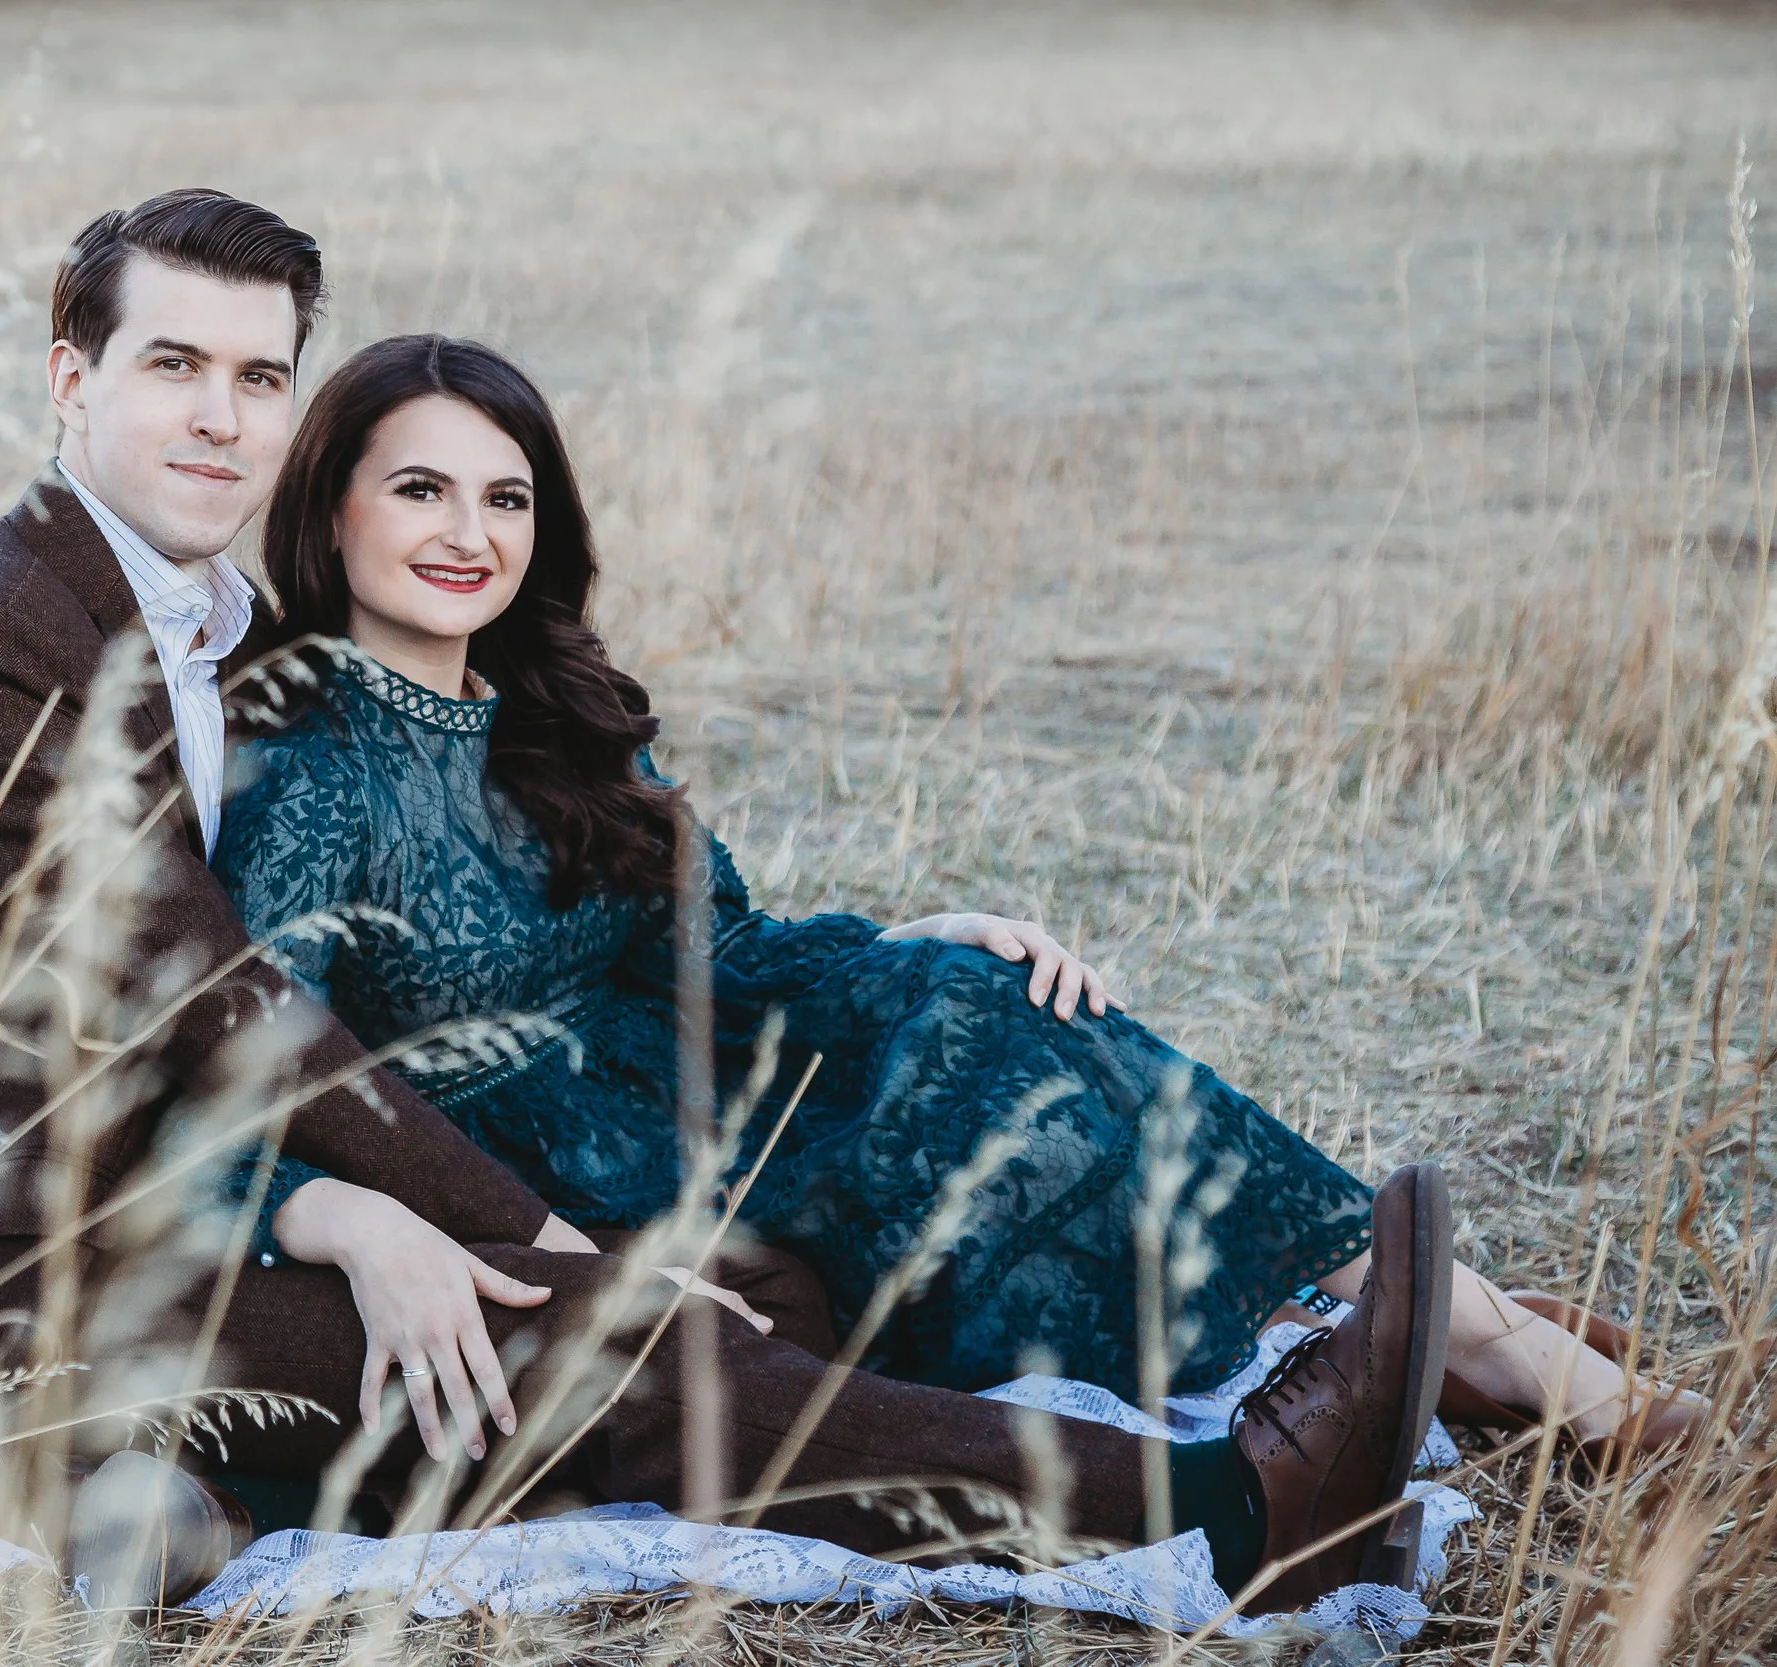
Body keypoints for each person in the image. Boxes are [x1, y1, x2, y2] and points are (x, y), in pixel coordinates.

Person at [0, 195, 1453, 1614]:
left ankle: (206, 1480)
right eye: (172, 365)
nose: (220, 413)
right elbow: (223, 1004)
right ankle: (1236, 1505)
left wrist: (382, 1219)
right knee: (632, 1340)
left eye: (258, 374)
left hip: (159, 1217)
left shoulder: (191, 618)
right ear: (72, 377)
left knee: (730, 1293)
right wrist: (494, 1233)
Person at [208, 335, 1704, 1474]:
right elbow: (246, 1069)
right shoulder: (305, 763)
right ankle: (1505, 1352)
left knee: (1000, 998)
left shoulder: (558, 713)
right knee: (1001, 1093)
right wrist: (337, 1218)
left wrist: (907, 938)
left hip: (716, 1082)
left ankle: (1484, 1340)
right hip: (554, 1164)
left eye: (504, 495)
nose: (468, 530)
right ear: (331, 505)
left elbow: (719, 946)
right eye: (421, 488)